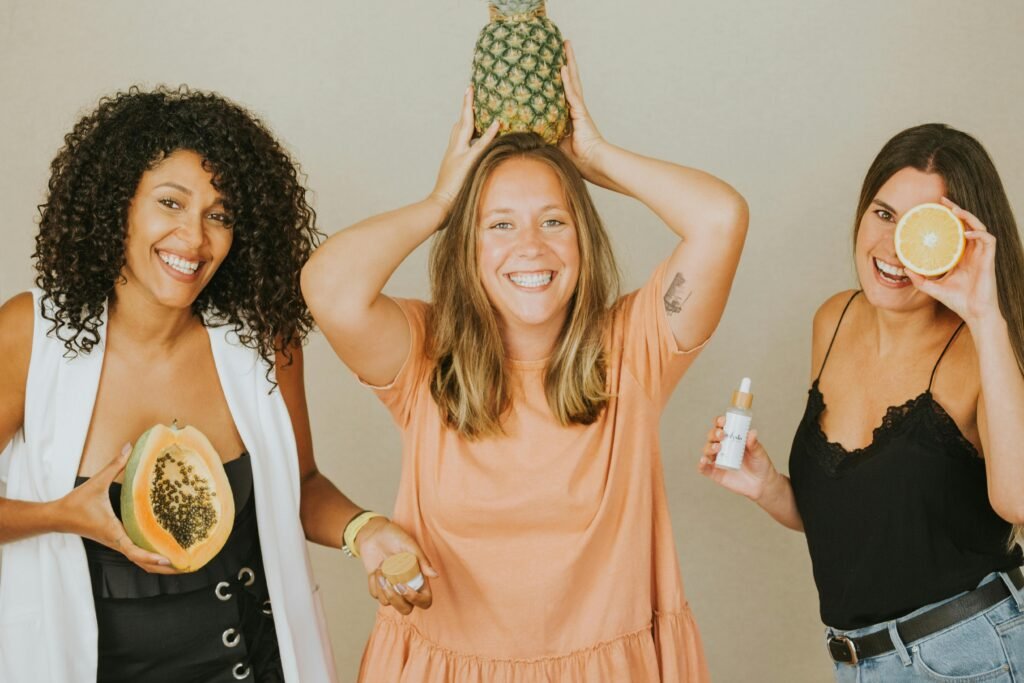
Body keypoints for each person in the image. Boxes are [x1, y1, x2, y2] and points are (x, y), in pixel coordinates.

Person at [302, 43, 748, 681]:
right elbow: (328, 287)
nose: (531, 248)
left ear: (582, 239)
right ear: (467, 243)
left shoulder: (632, 350)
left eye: (553, 221)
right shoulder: (424, 357)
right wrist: (439, 201)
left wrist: (592, 157)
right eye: (499, 225)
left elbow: (720, 218)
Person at [0, 86, 430, 683]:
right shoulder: (31, 335)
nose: (194, 238)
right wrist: (62, 514)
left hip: (261, 664)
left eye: (219, 214)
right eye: (170, 203)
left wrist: (367, 530)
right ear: (115, 202)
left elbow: (300, 483)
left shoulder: (263, 340)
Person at [700, 123, 1024, 681]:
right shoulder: (833, 319)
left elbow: (1019, 503)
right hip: (859, 663)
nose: (893, 244)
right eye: (883, 213)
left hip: (974, 655)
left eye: (923, 224)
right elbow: (865, 525)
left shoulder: (980, 350)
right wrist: (768, 487)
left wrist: (986, 317)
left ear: (963, 236)